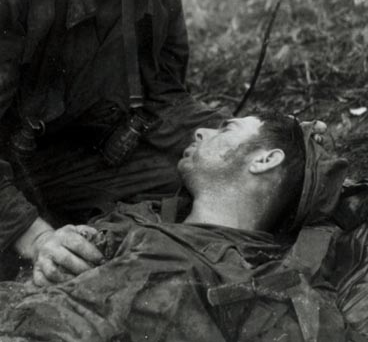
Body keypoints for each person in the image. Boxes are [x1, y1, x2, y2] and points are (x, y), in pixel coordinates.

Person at [0, 0, 247, 280]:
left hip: (50, 164)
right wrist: (35, 237)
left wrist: (248, 140)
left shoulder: (157, 2)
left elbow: (166, 105)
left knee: (205, 189)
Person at [0, 112, 357, 342]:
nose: (200, 130)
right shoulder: (145, 222)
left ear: (264, 160)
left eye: (227, 127)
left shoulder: (207, 274)